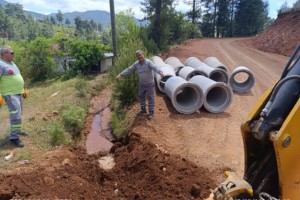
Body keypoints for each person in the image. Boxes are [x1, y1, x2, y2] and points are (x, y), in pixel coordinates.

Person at [116, 50, 164, 120]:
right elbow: (129, 69)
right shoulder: (136, 64)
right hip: (142, 84)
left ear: (143, 55)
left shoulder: (148, 62)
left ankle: (151, 113)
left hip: (150, 84)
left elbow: (155, 67)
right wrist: (120, 75)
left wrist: (161, 72)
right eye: (138, 56)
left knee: (151, 98)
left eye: (140, 55)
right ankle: (143, 110)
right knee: (141, 97)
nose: (139, 56)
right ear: (136, 57)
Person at [0, 45, 28, 148]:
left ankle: (17, 131)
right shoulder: (1, 64)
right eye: (11, 53)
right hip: (10, 94)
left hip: (18, 93)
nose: (13, 54)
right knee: (15, 115)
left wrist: (23, 89)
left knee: (19, 114)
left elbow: (18, 77)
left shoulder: (12, 63)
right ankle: (14, 138)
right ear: (4, 54)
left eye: (13, 52)